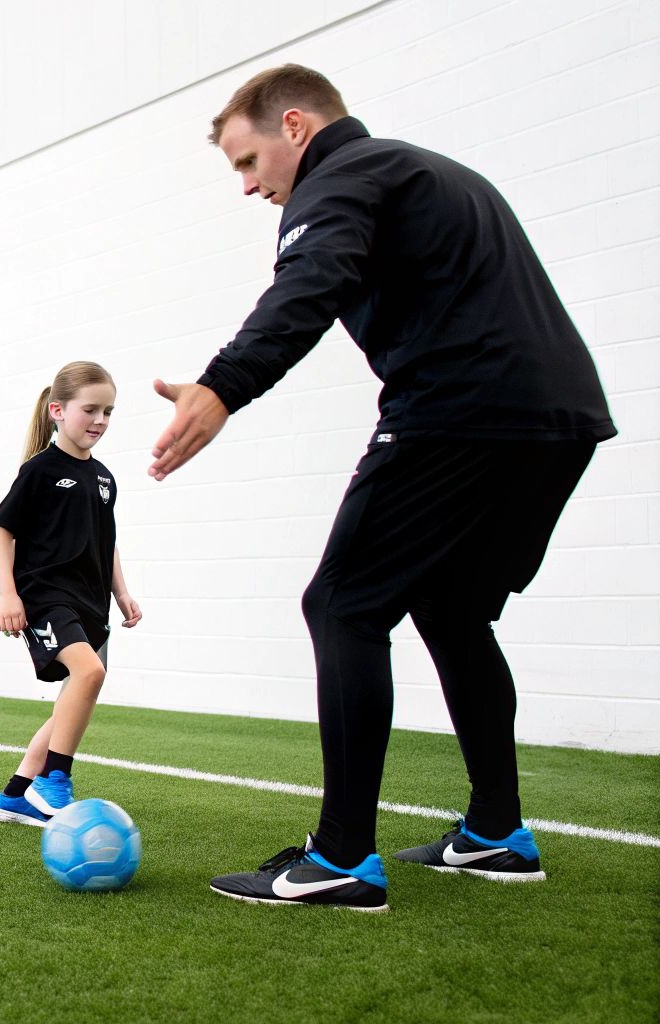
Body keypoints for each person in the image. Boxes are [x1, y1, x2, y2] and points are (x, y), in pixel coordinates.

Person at [149, 65, 616, 910]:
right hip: (558, 422)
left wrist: (221, 386)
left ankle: (340, 858)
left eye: (248, 161)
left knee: (342, 605)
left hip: (459, 412)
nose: (249, 185)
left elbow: (308, 285)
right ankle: (497, 832)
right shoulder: (429, 171)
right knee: (450, 609)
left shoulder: (341, 177)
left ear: (296, 127)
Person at [0, 362, 142, 827]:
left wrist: (122, 593)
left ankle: (13, 796)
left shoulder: (105, 479)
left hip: (91, 602)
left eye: (108, 412)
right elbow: (5, 533)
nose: (100, 420)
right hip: (45, 597)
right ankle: (54, 781)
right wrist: (8, 595)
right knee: (89, 672)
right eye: (90, 409)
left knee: (75, 699)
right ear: (57, 410)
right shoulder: (39, 471)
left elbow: (107, 542)